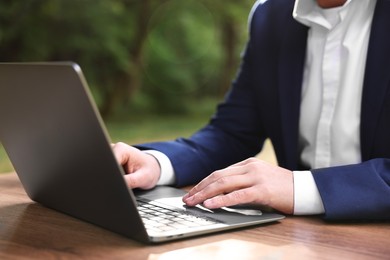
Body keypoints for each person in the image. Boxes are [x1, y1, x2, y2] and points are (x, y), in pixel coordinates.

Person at [112, 0, 390, 220]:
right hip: (297, 239)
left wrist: (300, 188)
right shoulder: (270, 17)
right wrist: (157, 164)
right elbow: (232, 132)